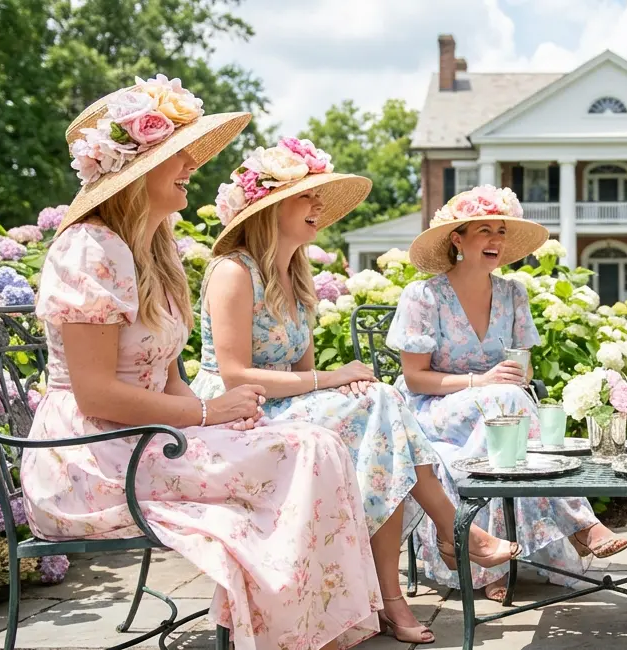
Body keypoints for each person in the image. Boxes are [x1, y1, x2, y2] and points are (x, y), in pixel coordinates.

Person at [22, 75, 381, 650]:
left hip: (146, 436)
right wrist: (211, 414)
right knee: (305, 449)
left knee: (312, 440)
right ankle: (288, 631)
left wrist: (222, 417)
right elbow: (95, 395)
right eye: (178, 154)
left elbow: (167, 376)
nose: (192, 163)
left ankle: (299, 627)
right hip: (91, 458)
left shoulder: (154, 252)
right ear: (137, 170)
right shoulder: (89, 248)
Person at [190, 141, 517, 644]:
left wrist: (348, 384)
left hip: (281, 405)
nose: (318, 208)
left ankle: (409, 580)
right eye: (308, 198)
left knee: (379, 419)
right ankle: (443, 548)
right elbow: (236, 375)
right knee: (382, 409)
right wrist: (336, 379)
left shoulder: (295, 276)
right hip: (235, 415)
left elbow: (302, 375)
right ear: (271, 207)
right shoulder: (234, 272)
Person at [388, 185, 627, 601]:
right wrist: (481, 382)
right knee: (510, 404)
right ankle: (580, 524)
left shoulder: (513, 293)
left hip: (496, 409)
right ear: (457, 239)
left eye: (501, 231)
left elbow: (524, 366)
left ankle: (490, 567)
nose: (496, 240)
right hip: (431, 407)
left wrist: (509, 378)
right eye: (484, 230)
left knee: (507, 420)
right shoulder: (423, 296)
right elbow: (414, 379)